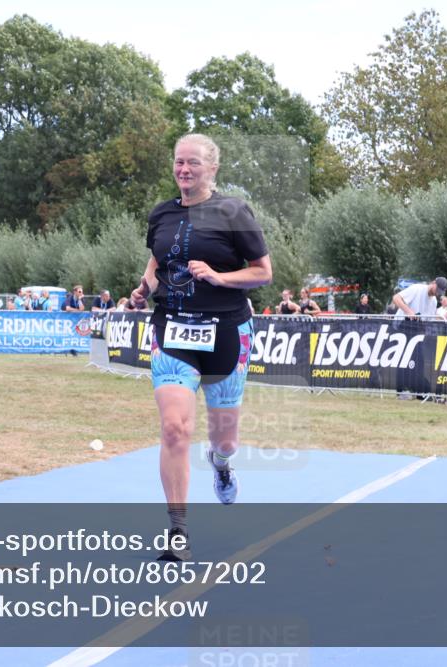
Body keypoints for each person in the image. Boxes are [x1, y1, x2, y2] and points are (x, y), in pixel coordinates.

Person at [127, 133, 272, 561]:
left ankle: (222, 464)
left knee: (224, 438)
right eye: (178, 162)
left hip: (226, 331)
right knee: (175, 428)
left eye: (192, 163)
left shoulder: (234, 211)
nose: (183, 169)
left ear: (212, 168)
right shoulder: (161, 214)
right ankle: (178, 532)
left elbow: (262, 273)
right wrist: (143, 289)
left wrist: (218, 277)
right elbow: (157, 262)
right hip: (172, 328)